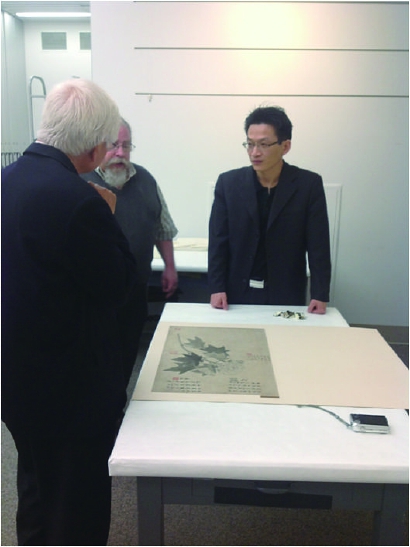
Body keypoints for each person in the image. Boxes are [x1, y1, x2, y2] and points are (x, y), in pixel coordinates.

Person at [2, 79, 139, 546]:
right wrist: (110, 215)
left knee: (36, 489)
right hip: (71, 392)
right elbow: (118, 287)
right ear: (95, 145)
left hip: (17, 377)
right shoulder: (80, 200)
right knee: (77, 505)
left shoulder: (6, 181)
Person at [208, 106, 331, 313]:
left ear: (285, 146)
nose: (254, 152)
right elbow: (218, 240)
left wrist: (320, 293)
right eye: (250, 144)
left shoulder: (308, 185)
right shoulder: (228, 184)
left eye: (264, 144)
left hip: (286, 290)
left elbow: (318, 244)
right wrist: (216, 287)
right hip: (236, 291)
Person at [81, 118, 178, 380]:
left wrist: (170, 267)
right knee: (96, 363)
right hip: (94, 299)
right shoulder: (81, 182)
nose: (121, 153)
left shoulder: (145, 180)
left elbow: (162, 228)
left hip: (135, 292)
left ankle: (120, 400)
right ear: (98, 146)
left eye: (126, 146)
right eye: (114, 145)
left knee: (127, 353)